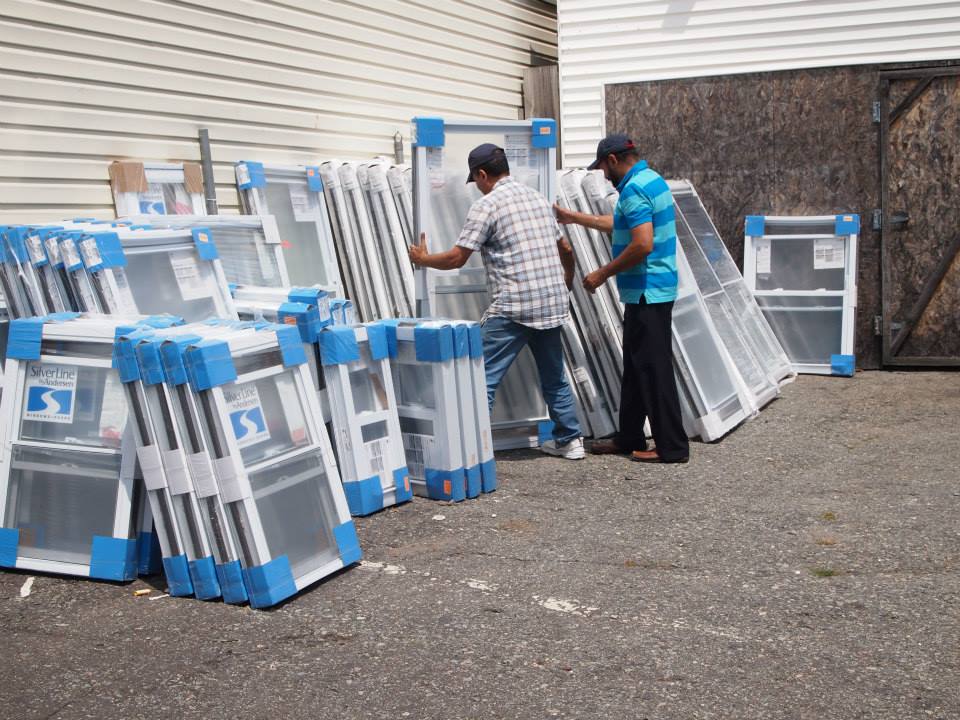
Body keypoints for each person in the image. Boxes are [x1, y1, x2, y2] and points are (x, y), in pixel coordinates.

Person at [408, 143, 585, 460]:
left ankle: (472, 452)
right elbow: (567, 251)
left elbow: (456, 259)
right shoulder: (538, 199)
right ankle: (569, 441)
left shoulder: (486, 206)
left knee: (482, 377)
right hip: (552, 303)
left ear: (482, 174)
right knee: (554, 376)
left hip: (515, 305)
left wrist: (423, 259)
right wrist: (565, 282)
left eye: (475, 180)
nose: (476, 186)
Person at [554, 134, 689, 464]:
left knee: (653, 371)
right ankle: (628, 436)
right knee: (635, 366)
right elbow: (619, 223)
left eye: (602, 168)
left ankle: (672, 448)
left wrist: (602, 273)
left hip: (647, 293)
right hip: (652, 290)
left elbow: (642, 243)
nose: (603, 175)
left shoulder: (633, 189)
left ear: (612, 160)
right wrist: (573, 217)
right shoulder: (651, 179)